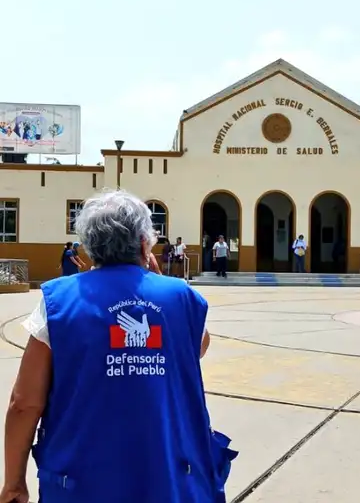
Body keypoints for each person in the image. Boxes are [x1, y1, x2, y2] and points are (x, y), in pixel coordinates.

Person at [0, 190, 226, 503]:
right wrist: (155, 274)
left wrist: (14, 482)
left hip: (79, 481)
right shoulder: (180, 297)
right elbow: (198, 347)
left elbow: (24, 403)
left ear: (88, 246)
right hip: (169, 477)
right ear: (145, 244)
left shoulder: (59, 302)